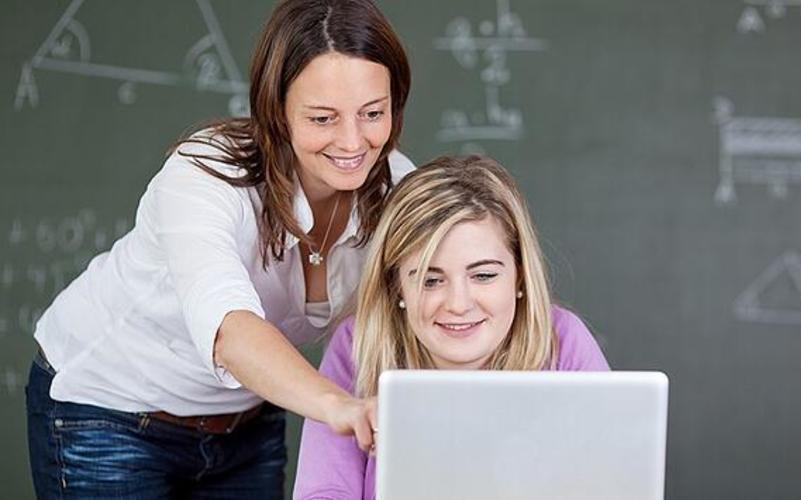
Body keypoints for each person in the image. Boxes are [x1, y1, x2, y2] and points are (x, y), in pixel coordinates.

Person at [25, 0, 412, 497]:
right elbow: (229, 330)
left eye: (372, 113)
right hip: (110, 410)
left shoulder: (398, 188)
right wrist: (341, 406)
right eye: (322, 118)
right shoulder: (205, 172)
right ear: (277, 112)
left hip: (246, 425)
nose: (353, 140)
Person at [293, 155, 610, 500]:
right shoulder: (358, 344)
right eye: (430, 280)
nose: (458, 304)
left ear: (520, 275)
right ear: (397, 285)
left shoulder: (561, 341)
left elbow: (613, 485)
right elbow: (323, 492)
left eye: (484, 275)